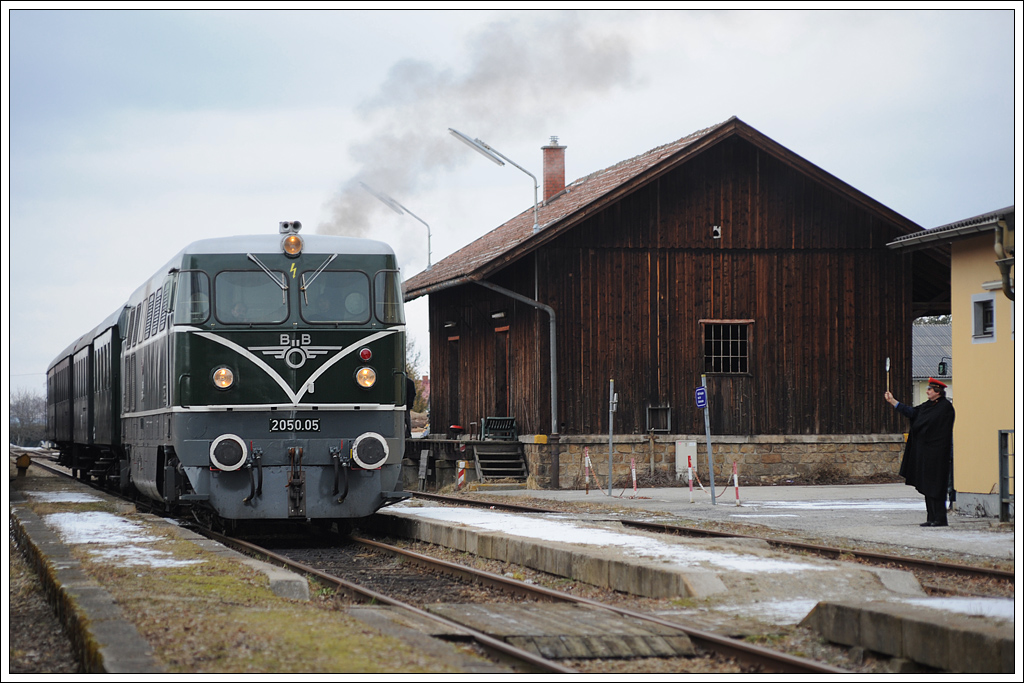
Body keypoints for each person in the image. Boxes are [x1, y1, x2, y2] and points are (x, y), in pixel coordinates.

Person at [884, 378, 955, 527]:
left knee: (937, 485)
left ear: (937, 391)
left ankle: (940, 518)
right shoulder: (928, 406)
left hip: (938, 453)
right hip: (926, 453)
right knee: (928, 485)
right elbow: (913, 413)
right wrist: (893, 401)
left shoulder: (945, 407)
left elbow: (929, 424)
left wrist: (919, 427)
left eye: (930, 389)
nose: (927, 391)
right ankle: (931, 517)